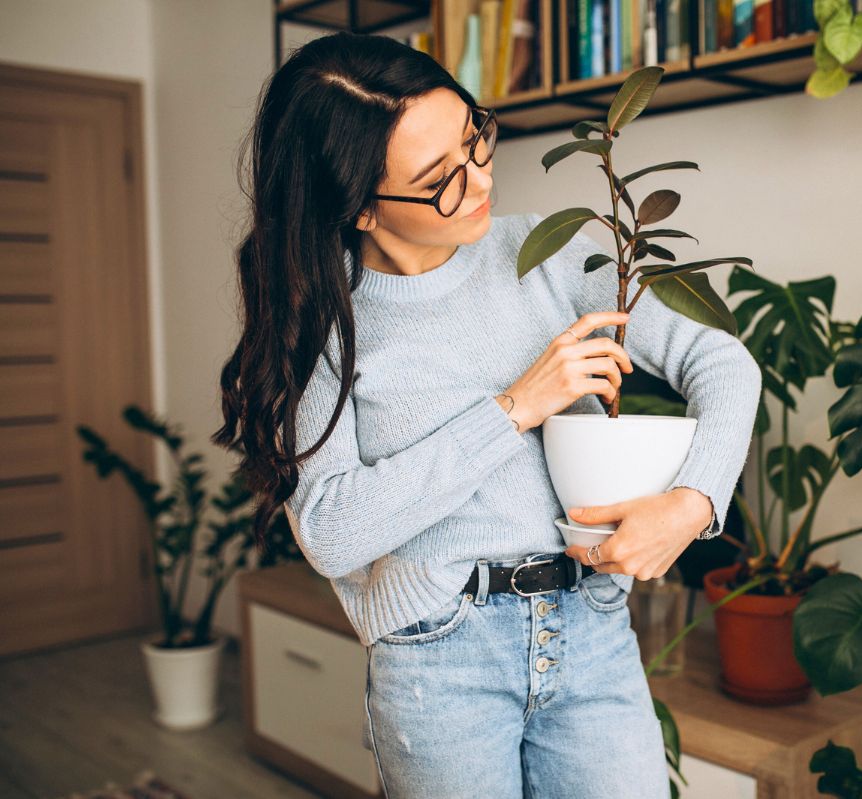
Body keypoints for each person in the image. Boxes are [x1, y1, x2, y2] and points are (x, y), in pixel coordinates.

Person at [212, 31, 761, 799]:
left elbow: (725, 361)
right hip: (439, 659)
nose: (478, 181)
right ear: (361, 208)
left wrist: (695, 501)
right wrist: (513, 409)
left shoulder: (553, 254)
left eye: (475, 138)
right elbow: (332, 530)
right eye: (439, 179)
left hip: (592, 628)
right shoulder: (322, 319)